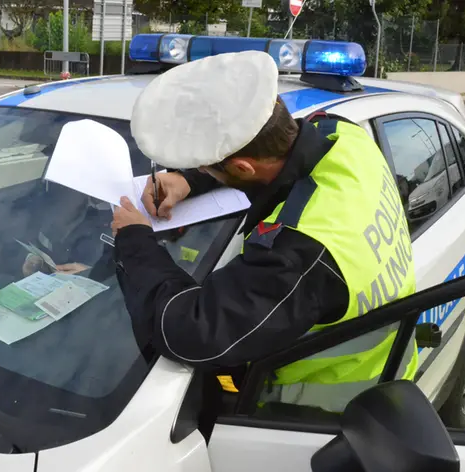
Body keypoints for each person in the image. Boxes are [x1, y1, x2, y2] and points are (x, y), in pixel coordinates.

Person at [110, 50, 418, 412]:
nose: (205, 171)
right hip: (392, 362)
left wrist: (135, 240)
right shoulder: (343, 134)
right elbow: (277, 155)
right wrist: (189, 179)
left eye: (208, 168)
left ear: (243, 167)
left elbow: (190, 334)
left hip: (332, 411)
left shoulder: (297, 252)